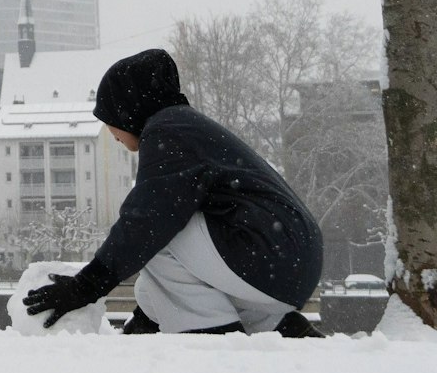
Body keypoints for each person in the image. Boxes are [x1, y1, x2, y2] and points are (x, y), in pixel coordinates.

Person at [24, 48, 325, 336]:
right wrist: (144, 321)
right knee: (150, 286)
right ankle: (277, 326)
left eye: (109, 117)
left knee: (157, 238)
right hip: (288, 263)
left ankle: (212, 337)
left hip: (270, 257)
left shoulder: (167, 131)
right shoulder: (185, 126)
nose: (110, 131)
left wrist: (85, 286)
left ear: (128, 110)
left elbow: (147, 220)